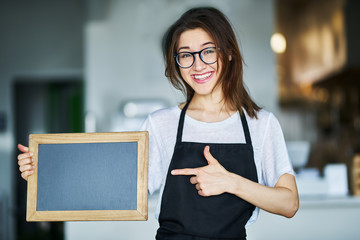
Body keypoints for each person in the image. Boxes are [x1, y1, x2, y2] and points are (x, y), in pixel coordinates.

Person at [17, 7, 299, 240]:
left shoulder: (261, 124)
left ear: (228, 53)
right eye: (185, 55)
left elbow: (289, 203)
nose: (198, 65)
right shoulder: (161, 124)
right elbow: (117, 190)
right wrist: (45, 173)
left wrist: (231, 182)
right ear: (177, 63)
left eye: (208, 51)